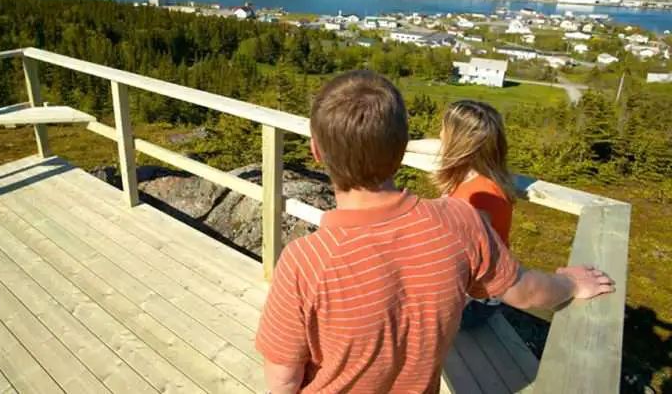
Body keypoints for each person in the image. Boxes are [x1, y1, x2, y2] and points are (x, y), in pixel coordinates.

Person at [255, 70, 614, 394]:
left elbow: (283, 380)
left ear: (316, 151)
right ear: (401, 151)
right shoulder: (461, 221)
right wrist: (570, 283)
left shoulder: (303, 262)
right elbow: (524, 291)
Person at [409, 100, 516, 328]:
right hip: (471, 288)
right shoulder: (480, 172)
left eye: (444, 129)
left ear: (459, 142)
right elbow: (437, 146)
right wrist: (402, 145)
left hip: (473, 302)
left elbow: (459, 264)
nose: (439, 133)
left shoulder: (479, 198)